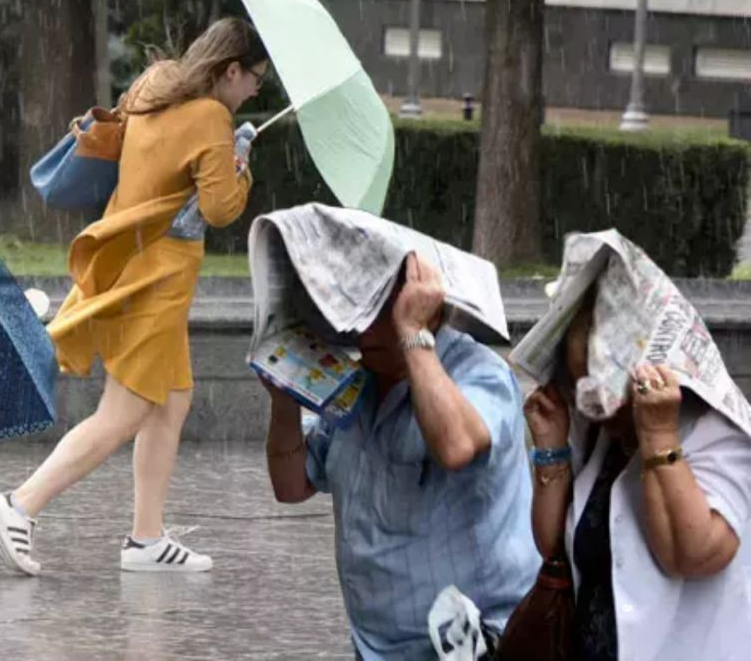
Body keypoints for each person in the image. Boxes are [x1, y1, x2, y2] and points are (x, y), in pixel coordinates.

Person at [0, 17, 268, 575]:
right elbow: (219, 210)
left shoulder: (154, 83)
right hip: (158, 281)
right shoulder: (212, 116)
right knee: (123, 413)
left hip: (129, 258)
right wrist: (240, 166)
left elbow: (155, 174)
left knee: (172, 401)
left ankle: (146, 540)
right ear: (230, 70)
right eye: (254, 77)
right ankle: (19, 505)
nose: (255, 88)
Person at [263, 255, 540, 660]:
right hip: (374, 646)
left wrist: (413, 335)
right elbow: (291, 486)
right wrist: (283, 403)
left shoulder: (479, 372)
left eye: (378, 315)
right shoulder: (358, 383)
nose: (359, 332)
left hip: (473, 645)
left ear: (422, 308)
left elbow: (457, 446)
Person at [524, 289, 751, 660]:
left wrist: (658, 435)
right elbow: (553, 546)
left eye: (606, 392)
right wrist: (551, 447)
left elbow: (693, 557)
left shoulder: (722, 434)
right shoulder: (603, 437)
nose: (594, 409)